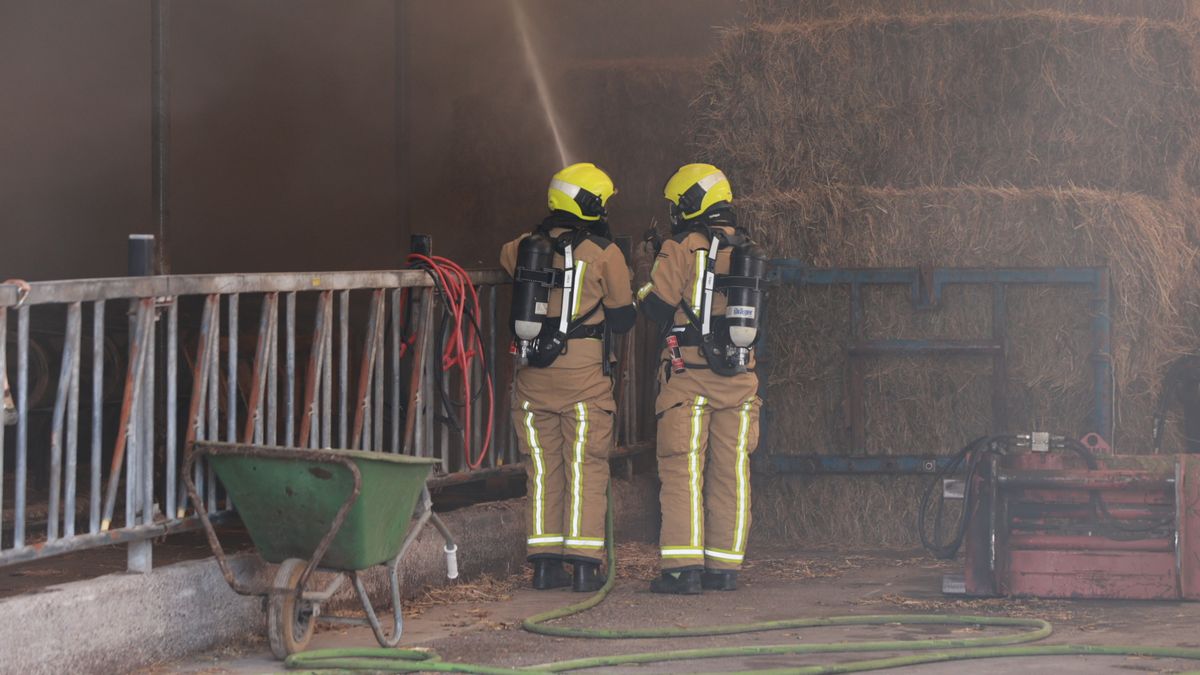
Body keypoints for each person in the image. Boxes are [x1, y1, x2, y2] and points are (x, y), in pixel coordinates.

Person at [500, 162, 636, 592]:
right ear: (591, 205)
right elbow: (623, 316)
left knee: (541, 470)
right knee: (585, 468)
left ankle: (543, 566)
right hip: (584, 381)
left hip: (533, 379)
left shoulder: (522, 247)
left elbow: (510, 263)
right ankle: (582, 566)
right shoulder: (604, 254)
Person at [639, 163, 764, 594]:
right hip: (740, 379)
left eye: (677, 204)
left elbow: (655, 308)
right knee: (732, 473)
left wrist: (649, 270)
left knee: (682, 470)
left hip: (689, 378)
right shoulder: (747, 248)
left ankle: (682, 570)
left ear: (691, 203)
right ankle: (725, 570)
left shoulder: (682, 246)